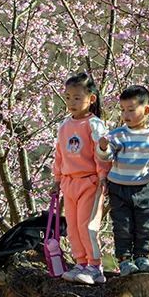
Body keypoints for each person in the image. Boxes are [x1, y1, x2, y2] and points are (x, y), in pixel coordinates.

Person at [97, 85, 149, 275]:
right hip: (118, 188)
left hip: (143, 188)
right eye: (122, 109)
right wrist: (103, 148)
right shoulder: (118, 134)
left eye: (130, 110)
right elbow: (106, 157)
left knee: (144, 225)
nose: (125, 114)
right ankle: (124, 260)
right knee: (122, 226)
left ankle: (142, 257)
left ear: (146, 110)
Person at [51, 72, 110, 285]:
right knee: (73, 227)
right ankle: (80, 263)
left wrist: (102, 176)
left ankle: (95, 266)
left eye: (77, 97)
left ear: (91, 99)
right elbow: (59, 154)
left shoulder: (94, 125)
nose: (71, 102)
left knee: (87, 225)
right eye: (68, 97)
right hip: (69, 182)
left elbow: (101, 153)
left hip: (89, 181)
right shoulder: (65, 125)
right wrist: (57, 179)